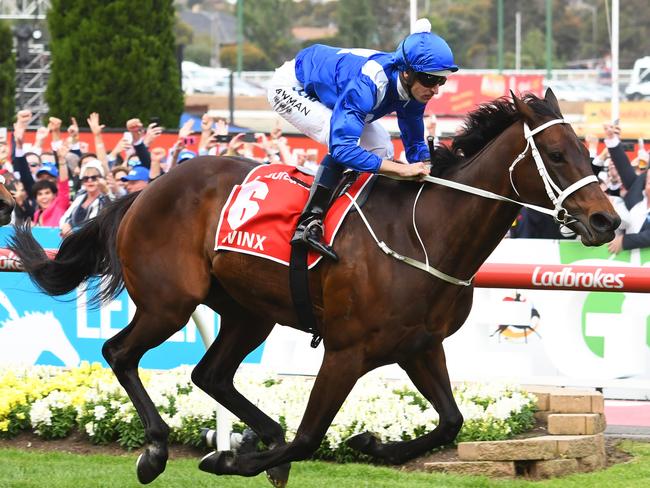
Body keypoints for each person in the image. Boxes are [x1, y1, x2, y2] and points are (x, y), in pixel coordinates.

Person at [268, 18, 457, 260]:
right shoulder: (370, 84)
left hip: (334, 91)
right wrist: (402, 172)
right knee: (338, 137)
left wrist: (429, 168)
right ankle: (309, 222)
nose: (436, 89)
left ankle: (357, 214)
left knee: (381, 147)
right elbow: (342, 149)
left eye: (441, 80)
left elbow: (414, 144)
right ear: (407, 73)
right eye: (430, 79)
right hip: (293, 86)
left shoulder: (414, 91)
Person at [59, 160, 112, 237]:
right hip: (73, 241)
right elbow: (65, 217)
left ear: (101, 179)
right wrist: (65, 225)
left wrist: (106, 192)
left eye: (94, 178)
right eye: (86, 178)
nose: (89, 181)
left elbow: (110, 212)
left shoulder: (105, 198)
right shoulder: (80, 197)